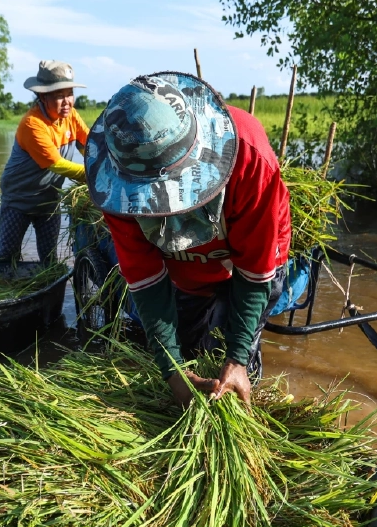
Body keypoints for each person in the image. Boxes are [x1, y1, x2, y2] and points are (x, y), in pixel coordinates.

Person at [84, 72, 290, 406]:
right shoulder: (116, 186)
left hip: (254, 258)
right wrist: (173, 370)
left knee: (242, 362)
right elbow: (146, 279)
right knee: (191, 348)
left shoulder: (250, 157)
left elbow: (255, 270)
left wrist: (237, 359)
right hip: (186, 270)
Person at [0, 60, 89, 265]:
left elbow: (90, 147)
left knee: (50, 259)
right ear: (43, 96)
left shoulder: (71, 116)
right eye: (59, 96)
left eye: (70, 94)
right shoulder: (32, 124)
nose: (67, 102)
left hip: (49, 201)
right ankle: (8, 284)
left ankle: (50, 286)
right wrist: (94, 176)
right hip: (19, 200)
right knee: (6, 257)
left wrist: (109, 164)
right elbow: (57, 165)